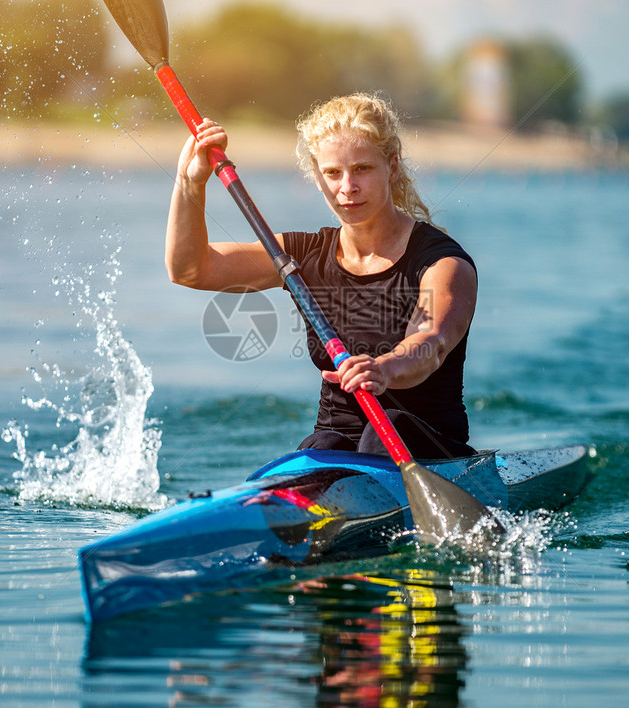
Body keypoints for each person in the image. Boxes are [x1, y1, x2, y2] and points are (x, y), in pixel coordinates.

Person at [165, 93, 478, 460]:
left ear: (392, 167)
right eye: (332, 172)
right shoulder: (300, 257)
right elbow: (190, 269)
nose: (347, 187)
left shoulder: (442, 262)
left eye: (362, 168)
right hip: (336, 442)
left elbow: (431, 342)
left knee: (384, 432)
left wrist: (385, 369)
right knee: (320, 448)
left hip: (428, 443)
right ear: (317, 177)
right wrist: (190, 184)